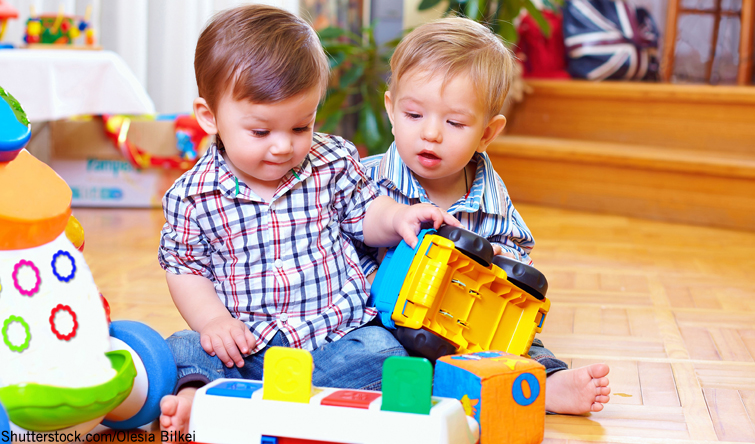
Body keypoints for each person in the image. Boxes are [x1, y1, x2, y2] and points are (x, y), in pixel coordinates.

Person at [157, 5, 460, 433]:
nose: (283, 146)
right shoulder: (191, 196)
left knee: (386, 350)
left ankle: (246, 401)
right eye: (261, 132)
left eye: (301, 127)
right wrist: (214, 322)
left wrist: (399, 218)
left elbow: (365, 213)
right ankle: (231, 394)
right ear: (210, 118)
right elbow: (185, 269)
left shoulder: (330, 160)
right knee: (184, 346)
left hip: (336, 336)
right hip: (250, 345)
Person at [359, 17, 611, 415]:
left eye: (455, 122)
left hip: (469, 328)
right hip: (389, 323)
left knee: (523, 346)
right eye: (413, 116)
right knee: (372, 350)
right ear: (391, 109)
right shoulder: (364, 179)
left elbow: (518, 254)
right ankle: (426, 386)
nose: (431, 134)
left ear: (487, 134)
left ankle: (547, 384)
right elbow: (340, 244)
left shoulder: (490, 194)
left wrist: (490, 265)